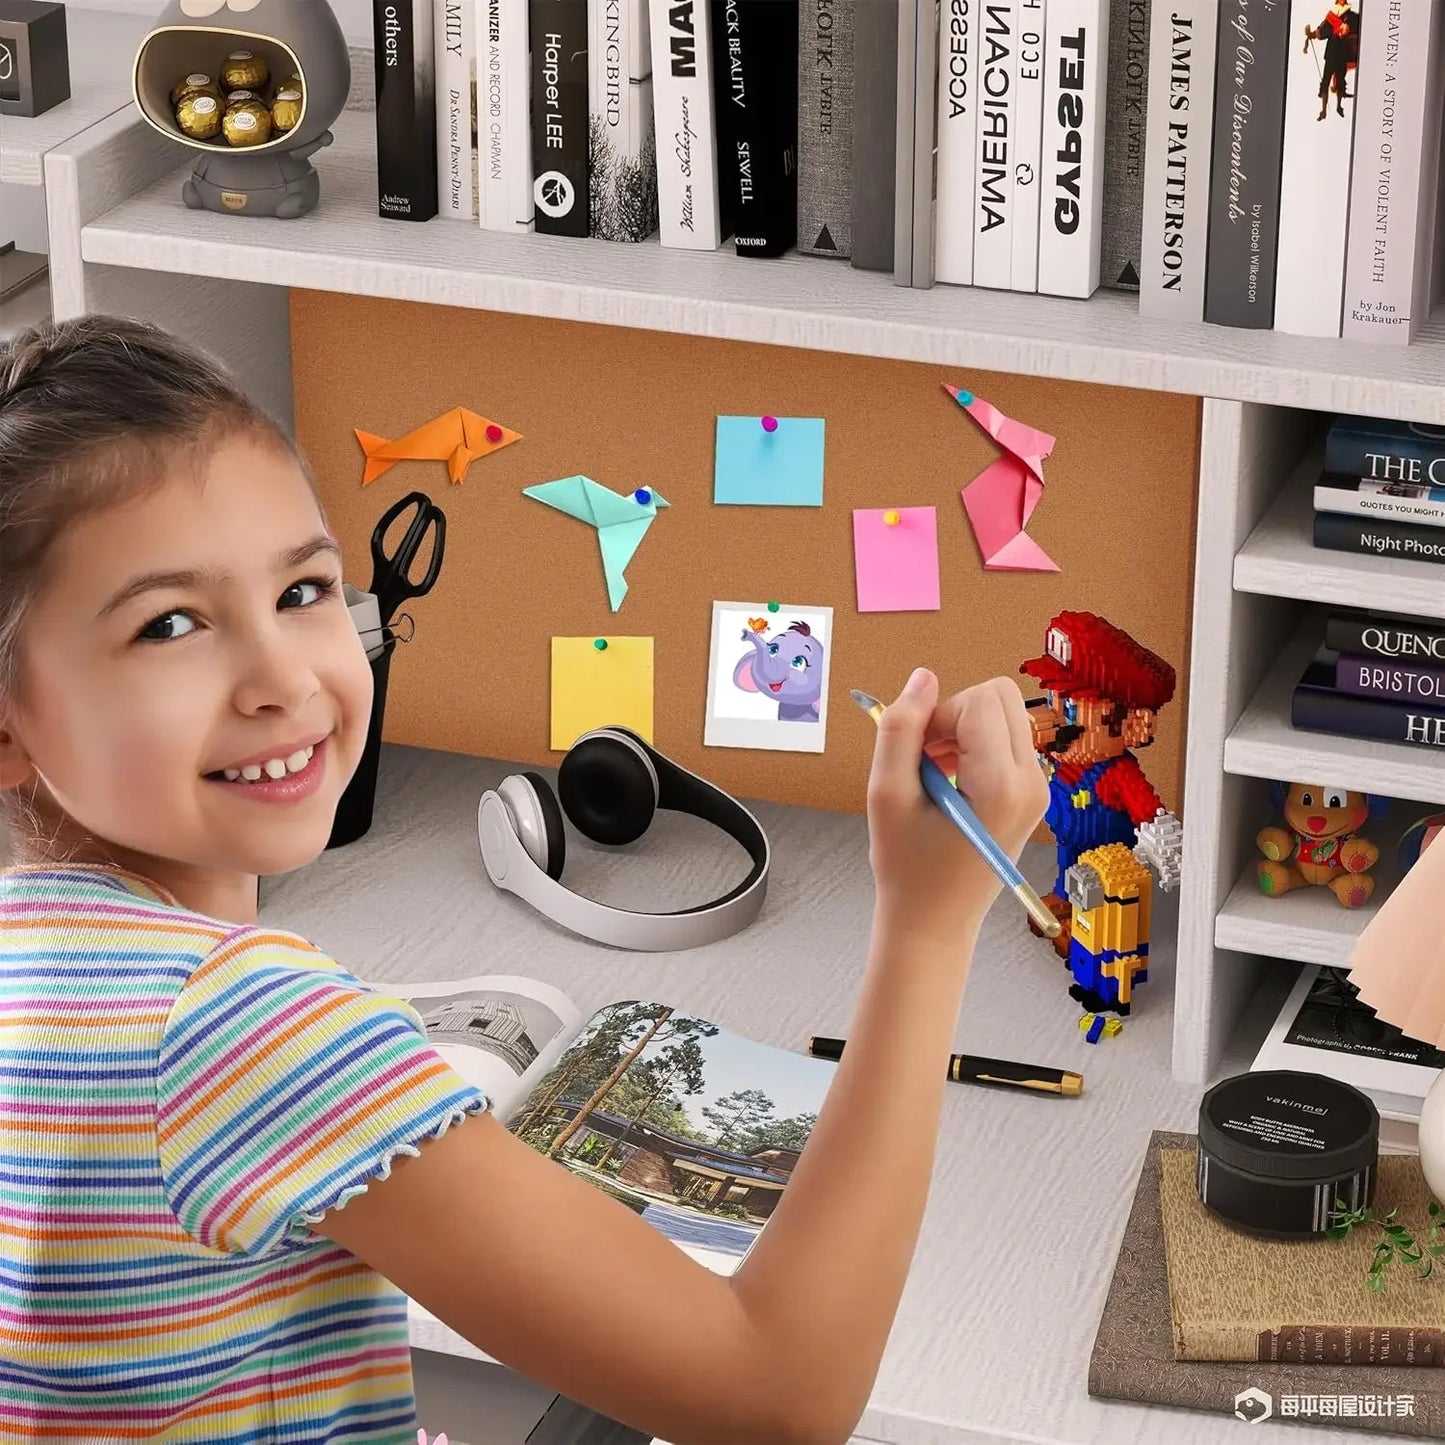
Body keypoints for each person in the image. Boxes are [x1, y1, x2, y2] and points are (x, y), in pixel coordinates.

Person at [0, 314, 1050, 1445]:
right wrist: (931, 924)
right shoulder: (238, 1022)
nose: (278, 677)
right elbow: (777, 1400)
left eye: (304, 590)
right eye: (171, 623)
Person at [1305, 0, 1360, 120]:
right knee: (1326, 81)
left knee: (1340, 81)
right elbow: (1321, 33)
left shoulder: (1353, 18)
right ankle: (1324, 110)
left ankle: (1339, 106)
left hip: (1342, 54)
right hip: (1331, 55)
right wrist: (1311, 35)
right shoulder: (1331, 18)